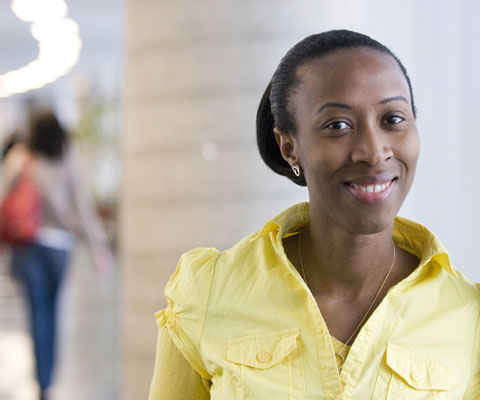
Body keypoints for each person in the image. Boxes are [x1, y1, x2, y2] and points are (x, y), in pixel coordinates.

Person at [148, 30, 480, 399]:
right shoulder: (209, 291)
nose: (373, 151)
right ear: (289, 147)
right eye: (338, 125)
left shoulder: (469, 316)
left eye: (393, 119)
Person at [0, 110, 113, 400]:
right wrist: (98, 247)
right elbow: (82, 206)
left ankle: (43, 381)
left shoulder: (21, 158)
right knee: (53, 312)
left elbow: (3, 199)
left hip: (29, 245)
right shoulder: (68, 158)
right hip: (60, 248)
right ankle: (49, 377)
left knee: (37, 314)